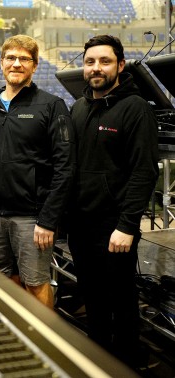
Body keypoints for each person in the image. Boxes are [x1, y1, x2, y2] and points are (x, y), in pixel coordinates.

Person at [66, 35, 159, 365]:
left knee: (120, 299)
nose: (96, 68)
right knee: (92, 297)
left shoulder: (136, 110)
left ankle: (127, 361)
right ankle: (98, 359)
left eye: (104, 62)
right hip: (81, 224)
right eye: (90, 62)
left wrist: (127, 225)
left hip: (114, 227)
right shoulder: (78, 108)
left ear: (120, 66)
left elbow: (143, 172)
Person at [0, 35, 74, 308]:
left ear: (35, 66)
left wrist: (48, 219)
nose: (17, 64)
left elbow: (65, 167)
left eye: (24, 59)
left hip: (33, 219)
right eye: (11, 58)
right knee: (3, 283)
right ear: (1, 63)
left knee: (36, 284)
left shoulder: (51, 106)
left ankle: (47, 343)